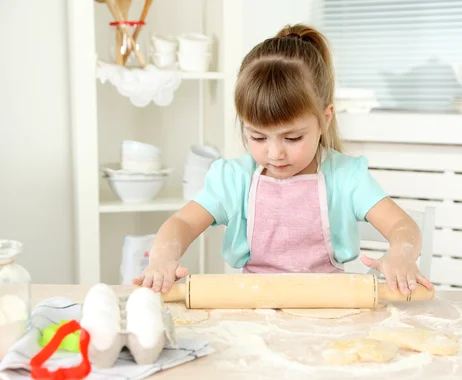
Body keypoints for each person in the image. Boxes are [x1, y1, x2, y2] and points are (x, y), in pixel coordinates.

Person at [133, 23, 433, 296]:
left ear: (325, 119)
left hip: (331, 307)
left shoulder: (346, 177)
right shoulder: (233, 179)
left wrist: (400, 255)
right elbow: (182, 222)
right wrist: (163, 259)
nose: (275, 153)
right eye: (258, 137)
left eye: (292, 138)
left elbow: (403, 227)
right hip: (253, 306)